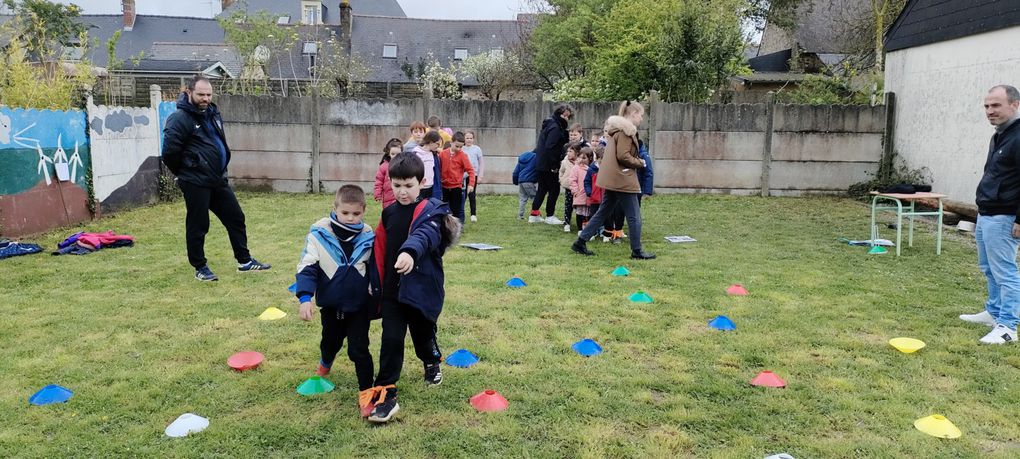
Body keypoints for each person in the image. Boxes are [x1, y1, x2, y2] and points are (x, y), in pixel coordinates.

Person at [368, 152, 461, 423]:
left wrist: (409, 252)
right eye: (397, 185)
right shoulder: (388, 214)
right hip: (393, 292)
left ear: (421, 182)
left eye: (408, 185)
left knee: (423, 336)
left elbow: (426, 235)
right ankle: (386, 392)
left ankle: (432, 362)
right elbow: (379, 249)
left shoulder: (432, 211)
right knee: (391, 340)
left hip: (419, 290)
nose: (402, 191)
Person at [161, 74, 271, 281]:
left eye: (209, 94)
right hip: (195, 182)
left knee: (236, 217)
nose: (205, 98)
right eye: (201, 94)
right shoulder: (179, 119)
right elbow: (169, 153)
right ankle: (200, 267)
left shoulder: (212, 113)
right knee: (198, 225)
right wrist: (186, 173)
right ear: (189, 92)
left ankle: (244, 261)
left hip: (217, 179)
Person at [294, 185, 379, 417]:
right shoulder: (318, 236)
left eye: (356, 214)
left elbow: (375, 268)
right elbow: (307, 268)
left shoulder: (369, 238)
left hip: (359, 308)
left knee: (359, 350)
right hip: (331, 307)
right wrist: (304, 298)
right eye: (345, 213)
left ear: (363, 211)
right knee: (330, 342)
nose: (351, 218)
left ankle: (366, 392)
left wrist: (376, 289)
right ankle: (325, 362)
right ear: (335, 209)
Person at [960, 85, 1020, 344]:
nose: (990, 111)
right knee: (988, 268)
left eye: (996, 105)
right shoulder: (1000, 135)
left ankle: (1007, 327)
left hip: (1005, 216)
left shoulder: (1018, 137)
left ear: (1014, 105)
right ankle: (994, 313)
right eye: (986, 106)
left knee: (1005, 272)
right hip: (987, 213)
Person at [571, 101, 656, 260]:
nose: (641, 119)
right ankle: (636, 250)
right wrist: (640, 163)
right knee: (634, 215)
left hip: (611, 177)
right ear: (633, 114)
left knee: (603, 211)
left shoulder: (616, 130)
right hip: (621, 178)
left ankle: (580, 242)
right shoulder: (625, 132)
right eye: (641, 115)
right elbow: (623, 156)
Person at [529, 104, 573, 225]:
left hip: (541, 163)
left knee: (542, 189)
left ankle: (534, 214)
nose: (567, 119)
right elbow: (551, 147)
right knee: (554, 189)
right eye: (565, 116)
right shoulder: (555, 127)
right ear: (560, 114)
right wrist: (554, 165)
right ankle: (550, 215)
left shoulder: (550, 124)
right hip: (549, 164)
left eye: (568, 117)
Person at [439, 132, 476, 224]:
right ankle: (444, 228)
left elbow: (471, 170)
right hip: (444, 187)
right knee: (443, 209)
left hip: (456, 188)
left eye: (461, 147)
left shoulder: (463, 156)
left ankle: (455, 229)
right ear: (451, 142)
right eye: (457, 146)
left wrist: (471, 184)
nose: (459, 149)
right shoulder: (443, 154)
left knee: (456, 211)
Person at [412, 131, 443, 199]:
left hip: (431, 187)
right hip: (419, 187)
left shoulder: (434, 155)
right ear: (431, 142)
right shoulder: (416, 153)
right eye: (437, 144)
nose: (438, 146)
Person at [570, 146, 594, 232]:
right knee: (580, 212)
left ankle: (587, 229)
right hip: (579, 194)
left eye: (584, 158)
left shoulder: (591, 169)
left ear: (590, 158)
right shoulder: (576, 168)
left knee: (588, 213)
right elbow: (573, 180)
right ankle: (580, 229)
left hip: (588, 195)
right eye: (579, 157)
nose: (581, 159)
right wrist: (575, 190)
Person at [374, 138, 403, 209]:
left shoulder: (404, 165)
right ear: (389, 154)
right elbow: (379, 181)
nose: (395, 156)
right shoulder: (384, 166)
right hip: (388, 198)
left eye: (398, 154)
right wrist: (377, 194)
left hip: (401, 195)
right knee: (389, 214)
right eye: (393, 154)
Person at [558, 142, 580, 232]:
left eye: (571, 151)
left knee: (579, 206)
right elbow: (561, 171)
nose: (568, 153)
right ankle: (567, 223)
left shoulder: (580, 162)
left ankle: (581, 223)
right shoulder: (564, 162)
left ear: (577, 153)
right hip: (568, 187)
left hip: (579, 188)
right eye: (568, 151)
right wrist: (562, 179)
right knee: (568, 205)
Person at [463, 131, 484, 222]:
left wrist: (480, 176)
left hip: (473, 175)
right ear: (464, 139)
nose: (469, 140)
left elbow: (481, 163)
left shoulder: (477, 149)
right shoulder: (461, 148)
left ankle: (473, 214)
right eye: (467, 138)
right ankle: (460, 212)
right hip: (462, 176)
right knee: (462, 195)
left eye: (471, 138)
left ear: (473, 139)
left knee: (472, 194)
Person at [512, 150, 539, 220]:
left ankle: (520, 216)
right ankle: (535, 215)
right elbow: (539, 169)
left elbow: (515, 172)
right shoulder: (536, 158)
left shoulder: (522, 158)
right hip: (529, 181)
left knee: (522, 199)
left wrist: (515, 181)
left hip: (521, 181)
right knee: (535, 198)